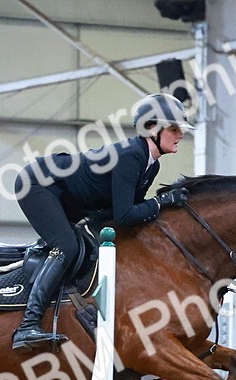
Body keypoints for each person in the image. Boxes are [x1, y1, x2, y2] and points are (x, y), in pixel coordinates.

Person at [10, 92, 194, 351]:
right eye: (174, 128)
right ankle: (27, 326)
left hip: (68, 196)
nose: (181, 134)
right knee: (68, 247)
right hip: (38, 184)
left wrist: (159, 206)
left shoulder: (151, 165)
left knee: (85, 244)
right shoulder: (132, 156)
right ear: (152, 128)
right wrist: (162, 202)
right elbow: (125, 214)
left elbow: (128, 216)